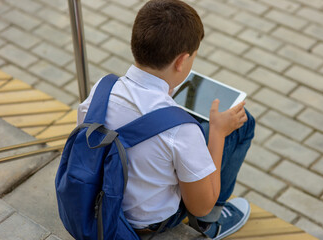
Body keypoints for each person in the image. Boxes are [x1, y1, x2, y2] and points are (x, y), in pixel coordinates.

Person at [77, 0, 255, 239]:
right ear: (181, 61)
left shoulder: (102, 89)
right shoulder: (182, 129)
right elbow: (199, 205)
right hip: (147, 222)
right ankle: (209, 224)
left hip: (97, 199)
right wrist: (218, 134)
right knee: (242, 125)